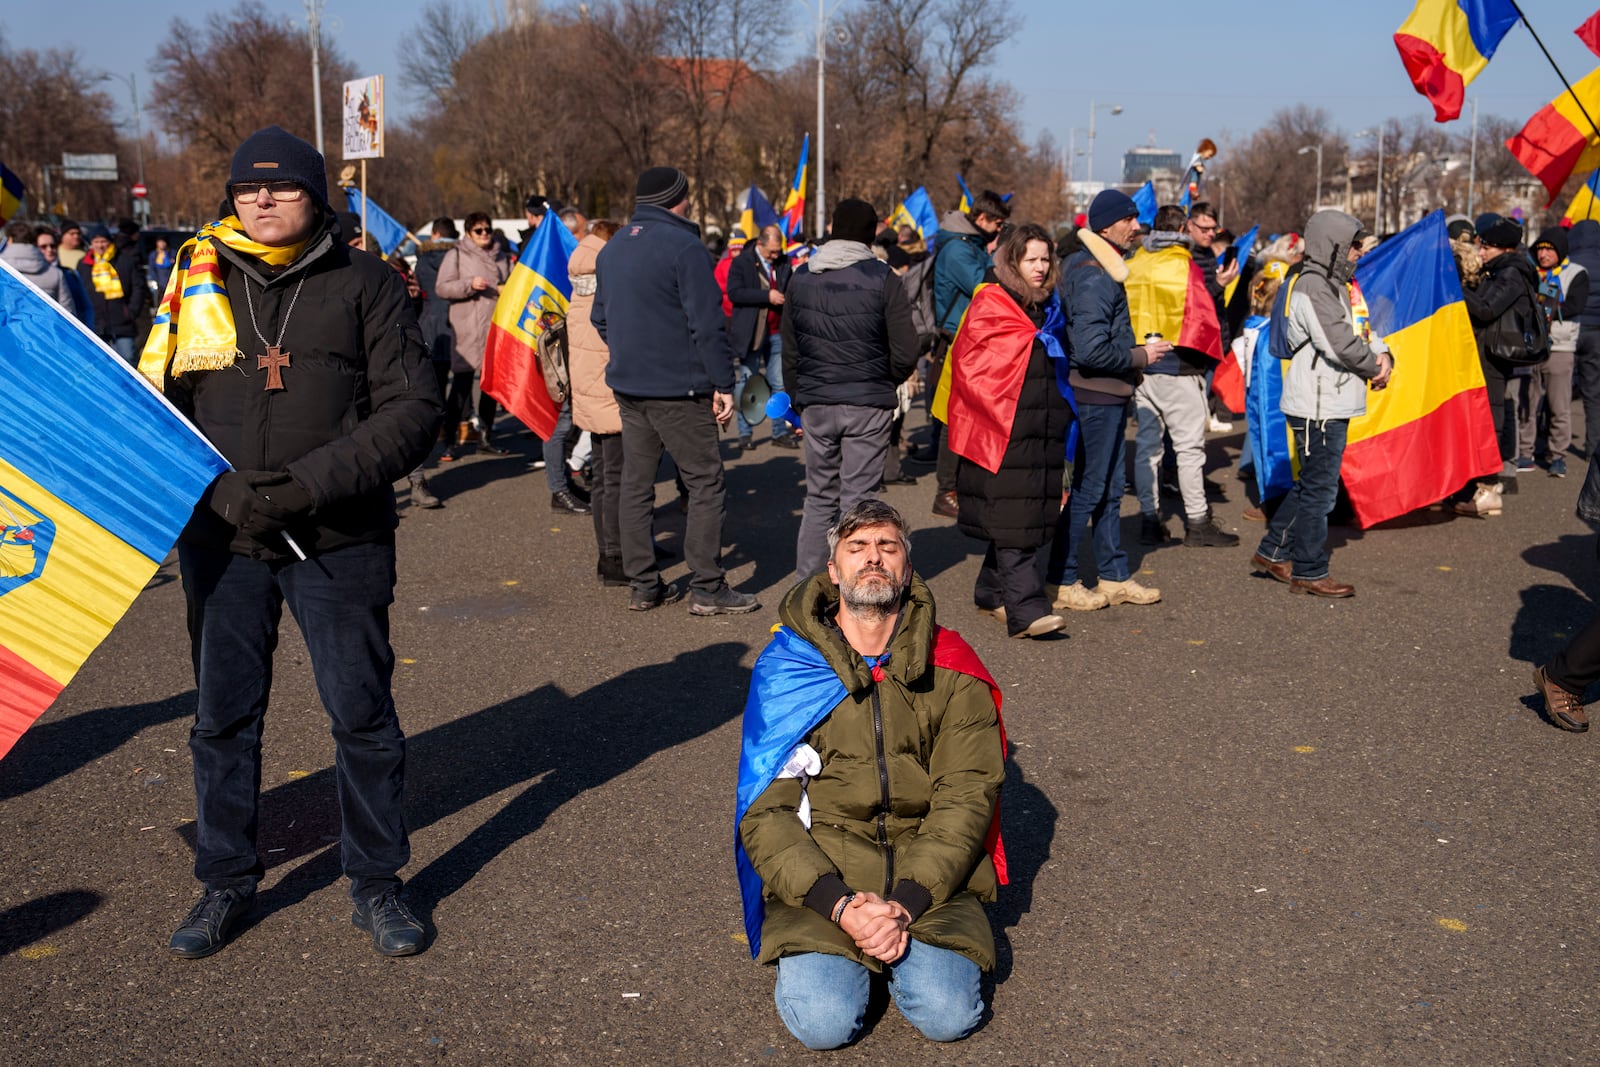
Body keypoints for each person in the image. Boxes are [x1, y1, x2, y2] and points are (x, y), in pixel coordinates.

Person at [138, 125, 442, 959]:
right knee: (222, 719)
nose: (262, 199)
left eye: (282, 186)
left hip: (337, 535)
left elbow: (414, 410)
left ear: (317, 196)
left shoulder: (367, 281)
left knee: (361, 714)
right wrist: (216, 485)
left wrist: (311, 484)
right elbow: (153, 406)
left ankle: (378, 881)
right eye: (247, 187)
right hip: (223, 535)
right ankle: (224, 879)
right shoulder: (195, 278)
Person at [736, 499, 1004, 1050]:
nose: (873, 558)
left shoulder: (951, 665)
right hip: (828, 875)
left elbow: (967, 796)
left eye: (888, 546)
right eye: (857, 548)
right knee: (824, 1025)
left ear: (907, 566)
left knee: (948, 1016)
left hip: (930, 876)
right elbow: (767, 812)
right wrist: (841, 905)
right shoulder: (790, 668)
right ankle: (862, 949)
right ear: (833, 571)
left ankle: (893, 950)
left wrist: (905, 902)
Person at [592, 165, 757, 615]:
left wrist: (631, 352)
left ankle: (644, 585)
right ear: (677, 199)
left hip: (629, 386)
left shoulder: (612, 249)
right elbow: (707, 325)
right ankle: (707, 586)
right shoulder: (685, 246)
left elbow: (600, 319)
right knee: (705, 483)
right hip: (678, 389)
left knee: (636, 486)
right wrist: (723, 384)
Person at [1251, 209, 1391, 595]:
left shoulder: (1338, 284)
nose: (1359, 252)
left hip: (1328, 400)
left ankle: (1274, 552)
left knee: (1312, 485)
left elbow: (1363, 329)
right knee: (1319, 490)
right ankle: (1309, 571)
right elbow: (1340, 343)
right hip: (1318, 404)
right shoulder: (1315, 285)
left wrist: (1385, 356)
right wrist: (1373, 367)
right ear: (1333, 246)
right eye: (1354, 246)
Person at [945, 223, 1071, 638]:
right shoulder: (991, 304)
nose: (1039, 267)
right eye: (1031, 259)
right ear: (1012, 261)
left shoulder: (1048, 307)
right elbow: (969, 368)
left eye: (1044, 259)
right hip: (1002, 432)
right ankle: (1026, 610)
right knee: (1015, 518)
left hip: (1043, 429)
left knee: (1027, 515)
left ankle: (990, 591)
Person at [784, 199, 921, 578]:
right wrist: (885, 380)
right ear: (870, 233)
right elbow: (907, 348)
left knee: (818, 499)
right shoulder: (883, 277)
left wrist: (799, 398)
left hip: (816, 401)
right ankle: (853, 587)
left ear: (832, 228)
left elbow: (790, 348)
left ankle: (808, 586)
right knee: (859, 501)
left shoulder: (801, 276)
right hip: (866, 402)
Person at [1046, 189, 1165, 611]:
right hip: (1095, 395)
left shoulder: (1100, 267)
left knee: (1111, 488)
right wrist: (1140, 355)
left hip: (1108, 395)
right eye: (1129, 219)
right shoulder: (1095, 273)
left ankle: (1113, 576)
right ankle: (1061, 579)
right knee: (1089, 488)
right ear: (1105, 227)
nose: (1137, 226)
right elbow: (1090, 351)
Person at [1126, 205, 1239, 549]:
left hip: (1142, 365)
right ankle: (1198, 522)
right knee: (1189, 450)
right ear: (1183, 229)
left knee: (1148, 448)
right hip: (1179, 365)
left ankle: (1149, 520)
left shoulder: (1135, 262)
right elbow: (1203, 316)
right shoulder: (1183, 264)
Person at [927, 190, 1010, 517]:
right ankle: (946, 489)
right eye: (997, 224)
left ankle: (960, 486)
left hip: (969, 337)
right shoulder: (959, 250)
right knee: (954, 416)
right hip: (958, 338)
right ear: (982, 220)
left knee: (966, 415)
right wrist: (997, 255)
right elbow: (984, 284)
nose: (999, 230)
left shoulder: (967, 244)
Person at [1457, 215, 1542, 517]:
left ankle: (1487, 490)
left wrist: (1455, 287)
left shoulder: (1510, 274)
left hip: (1493, 356)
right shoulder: (1500, 271)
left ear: (1503, 249)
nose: (1480, 252)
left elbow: (1485, 309)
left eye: (1486, 248)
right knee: (1485, 417)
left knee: (1490, 420)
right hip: (1488, 353)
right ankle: (1481, 488)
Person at [569, 219, 627, 585]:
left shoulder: (580, 285)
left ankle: (612, 552)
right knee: (620, 479)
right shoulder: (607, 284)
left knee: (606, 478)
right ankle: (618, 556)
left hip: (591, 393)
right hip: (609, 391)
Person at [435, 210, 515, 461]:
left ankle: (486, 437)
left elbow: (514, 285)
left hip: (495, 328)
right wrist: (469, 284)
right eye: (479, 230)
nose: (484, 235)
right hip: (467, 330)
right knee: (460, 386)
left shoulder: (502, 256)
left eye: (487, 230)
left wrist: (508, 289)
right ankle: (449, 440)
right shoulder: (456, 254)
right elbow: (442, 287)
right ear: (469, 233)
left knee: (491, 387)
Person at [1519, 227, 1588, 478]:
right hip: (1531, 347)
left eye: (1549, 249)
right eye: (1540, 248)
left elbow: (1574, 305)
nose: (1543, 254)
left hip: (1560, 347)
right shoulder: (1529, 273)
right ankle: (1525, 452)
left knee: (1559, 405)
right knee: (1527, 404)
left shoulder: (1576, 274)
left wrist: (1544, 303)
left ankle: (1557, 455)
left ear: (1560, 251)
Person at [728, 223, 797, 450]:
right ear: (760, 244)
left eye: (778, 250)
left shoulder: (784, 262)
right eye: (772, 251)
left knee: (778, 384)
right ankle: (745, 434)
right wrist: (766, 295)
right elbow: (735, 293)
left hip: (777, 332)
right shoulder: (742, 263)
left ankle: (779, 432)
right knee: (747, 384)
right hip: (752, 334)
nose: (776, 255)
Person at [77, 221, 146, 362]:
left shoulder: (125, 260)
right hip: (96, 322)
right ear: (91, 243)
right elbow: (80, 290)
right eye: (96, 241)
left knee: (127, 358)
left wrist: (131, 312)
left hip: (122, 321)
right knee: (101, 363)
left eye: (103, 241)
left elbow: (138, 287)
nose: (100, 245)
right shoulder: (84, 264)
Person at [1567, 218, 1600, 458]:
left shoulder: (1568, 263)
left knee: (1559, 389)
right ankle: (1592, 446)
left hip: (1568, 330)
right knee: (1593, 391)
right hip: (1596, 332)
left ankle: (1551, 445)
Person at [2, 220, 74, 309]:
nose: (50, 250)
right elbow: (67, 312)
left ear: (10, 240)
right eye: (44, 246)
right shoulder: (56, 274)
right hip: (45, 322)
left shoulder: (3, 269)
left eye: (53, 245)